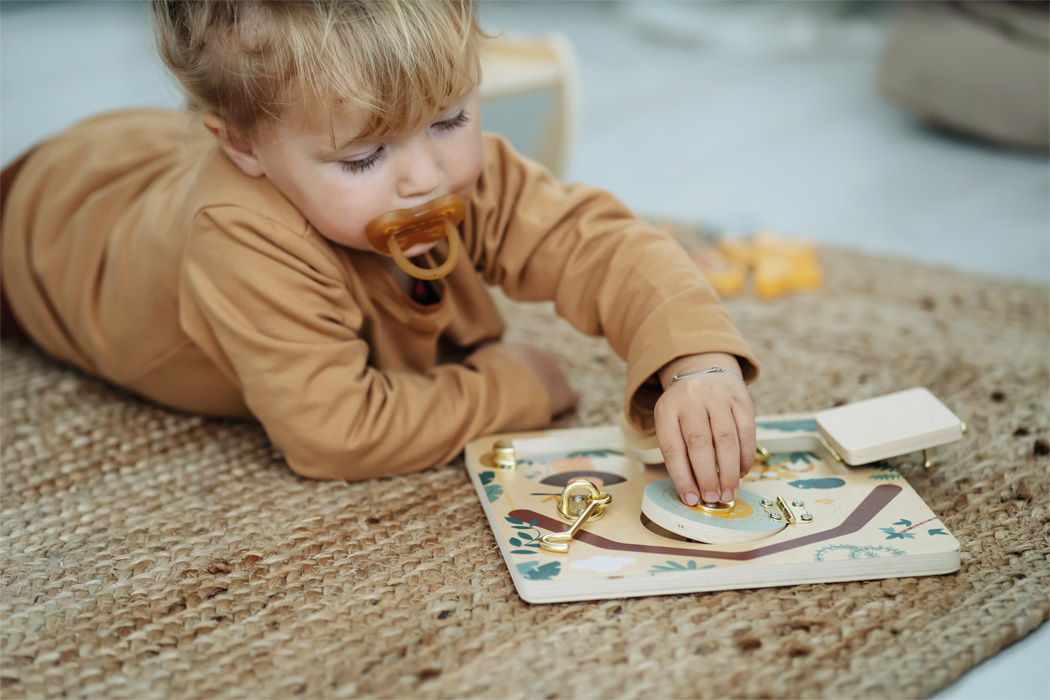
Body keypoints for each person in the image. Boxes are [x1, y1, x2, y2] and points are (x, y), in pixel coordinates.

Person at [0, 0, 759, 507]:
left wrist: (692, 359)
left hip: (153, 147)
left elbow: (590, 242)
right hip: (46, 224)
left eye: (451, 116)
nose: (426, 178)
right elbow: (334, 432)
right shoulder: (237, 232)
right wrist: (512, 385)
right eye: (364, 158)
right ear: (242, 146)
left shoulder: (421, 163)